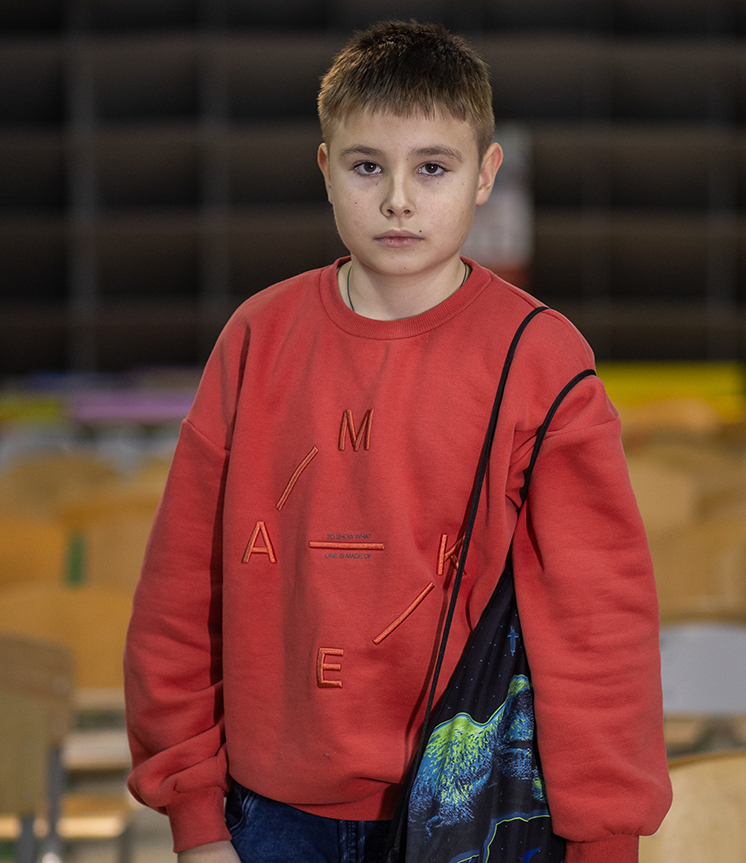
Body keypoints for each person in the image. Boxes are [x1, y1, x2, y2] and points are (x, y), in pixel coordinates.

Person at [125, 20, 671, 863]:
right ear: (325, 169)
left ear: (486, 174)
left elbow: (598, 623)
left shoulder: (542, 358)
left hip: (471, 805)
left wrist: (605, 841)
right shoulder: (256, 339)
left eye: (433, 167)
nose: (398, 201)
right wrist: (195, 819)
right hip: (268, 814)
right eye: (367, 165)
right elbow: (179, 595)